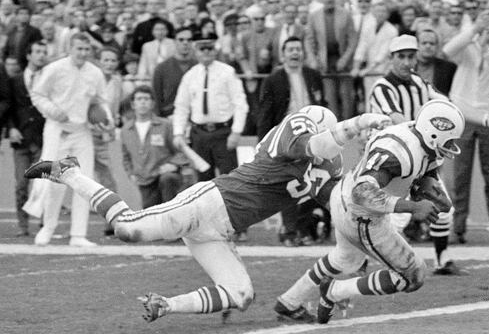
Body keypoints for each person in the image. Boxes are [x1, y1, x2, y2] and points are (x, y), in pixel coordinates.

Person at [24, 105, 391, 322]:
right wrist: (358, 124)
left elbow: (338, 206)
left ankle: (165, 305)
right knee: (127, 229)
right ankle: (69, 172)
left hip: (222, 229)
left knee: (241, 295)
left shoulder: (327, 165)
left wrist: (354, 259)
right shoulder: (297, 128)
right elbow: (313, 144)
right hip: (210, 201)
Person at [276, 100, 463, 324]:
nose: (452, 146)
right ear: (434, 134)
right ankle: (335, 291)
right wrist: (413, 207)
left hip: (343, 197)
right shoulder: (399, 153)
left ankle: (289, 301)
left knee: (344, 258)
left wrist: (427, 187)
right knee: (413, 276)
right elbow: (362, 193)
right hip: (360, 214)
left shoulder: (419, 135)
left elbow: (422, 168)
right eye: (450, 139)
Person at [368, 34, 462, 275]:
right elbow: (398, 120)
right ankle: (381, 263)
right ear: (392, 58)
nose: (407, 62)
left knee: (443, 208)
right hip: (393, 160)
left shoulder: (421, 84)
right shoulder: (382, 87)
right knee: (392, 217)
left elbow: (448, 106)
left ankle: (441, 260)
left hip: (421, 158)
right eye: (401, 56)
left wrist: (484, 117)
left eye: (411, 56)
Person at [28, 32, 111, 247]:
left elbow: (101, 101)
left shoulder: (95, 73)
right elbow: (37, 95)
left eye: (86, 49)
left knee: (84, 182)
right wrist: (53, 111)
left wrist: (106, 121)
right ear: (70, 48)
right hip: (56, 130)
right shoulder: (55, 69)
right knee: (54, 182)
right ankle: (48, 228)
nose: (83, 53)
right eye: (79, 49)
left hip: (82, 131)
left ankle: (78, 235)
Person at [443, 12, 489, 244]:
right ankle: (458, 227)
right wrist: (473, 32)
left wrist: (485, 49)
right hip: (464, 118)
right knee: (461, 175)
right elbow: (448, 51)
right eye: (487, 24)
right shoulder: (467, 43)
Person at [172, 38, 249, 239]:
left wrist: (236, 131)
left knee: (230, 181)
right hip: (199, 134)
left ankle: (238, 227)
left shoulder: (227, 72)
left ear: (215, 51)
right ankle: (207, 227)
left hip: (223, 133)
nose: (206, 53)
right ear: (196, 52)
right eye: (202, 49)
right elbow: (181, 106)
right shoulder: (190, 76)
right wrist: (178, 132)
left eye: (209, 49)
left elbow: (240, 103)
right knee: (203, 184)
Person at [256, 36, 326, 246]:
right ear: (283, 54)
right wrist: (263, 143)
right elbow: (265, 114)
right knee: (289, 185)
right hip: (286, 138)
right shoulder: (273, 80)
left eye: (298, 49)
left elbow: (324, 105)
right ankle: (289, 231)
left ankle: (305, 229)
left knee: (317, 182)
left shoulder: (313, 76)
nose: (295, 53)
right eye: (290, 50)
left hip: (314, 137)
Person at [5, 41, 47, 236]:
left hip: (43, 137)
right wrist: (11, 128)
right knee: (21, 184)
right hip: (20, 138)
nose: (41, 55)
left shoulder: (50, 77)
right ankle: (23, 226)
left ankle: (45, 223)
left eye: (44, 52)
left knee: (45, 184)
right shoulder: (14, 80)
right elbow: (9, 107)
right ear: (29, 55)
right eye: (38, 51)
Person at [121, 86, 186, 208]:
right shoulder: (126, 130)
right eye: (139, 99)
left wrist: (174, 164)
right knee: (150, 214)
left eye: (146, 99)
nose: (143, 102)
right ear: (133, 104)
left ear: (152, 103)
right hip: (145, 179)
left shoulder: (165, 125)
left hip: (165, 176)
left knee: (168, 180)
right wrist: (131, 174)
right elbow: (125, 157)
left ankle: (172, 213)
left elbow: (180, 151)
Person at [305, 0, 358, 120]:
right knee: (330, 97)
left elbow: (352, 40)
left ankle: (348, 130)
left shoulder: (345, 14)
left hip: (342, 60)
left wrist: (345, 59)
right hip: (325, 62)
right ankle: (334, 130)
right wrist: (314, 59)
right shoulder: (314, 16)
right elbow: (309, 40)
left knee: (347, 98)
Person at [93, 47, 123, 236]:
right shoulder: (90, 78)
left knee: (107, 180)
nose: (109, 64)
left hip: (102, 137)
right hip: (82, 134)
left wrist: (111, 126)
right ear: (99, 61)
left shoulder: (117, 82)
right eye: (106, 60)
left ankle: (112, 222)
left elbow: (115, 110)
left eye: (113, 60)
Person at [152, 27, 196, 118]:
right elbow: (156, 97)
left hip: (195, 117)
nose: (185, 43)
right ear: (174, 42)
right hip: (169, 116)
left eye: (189, 40)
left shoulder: (199, 67)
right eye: (181, 40)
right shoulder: (161, 68)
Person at [413, 28, 457, 95]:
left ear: (437, 46)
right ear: (417, 45)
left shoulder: (449, 68)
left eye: (432, 43)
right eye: (424, 43)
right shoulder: (409, 66)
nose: (428, 46)